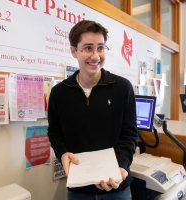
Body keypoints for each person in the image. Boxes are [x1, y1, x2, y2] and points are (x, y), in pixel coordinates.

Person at [48, 20, 138, 200]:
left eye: (101, 48)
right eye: (88, 48)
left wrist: (121, 166)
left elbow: (129, 134)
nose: (96, 56)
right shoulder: (59, 93)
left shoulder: (122, 88)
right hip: (79, 189)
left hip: (116, 187)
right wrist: (63, 153)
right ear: (74, 51)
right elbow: (55, 133)